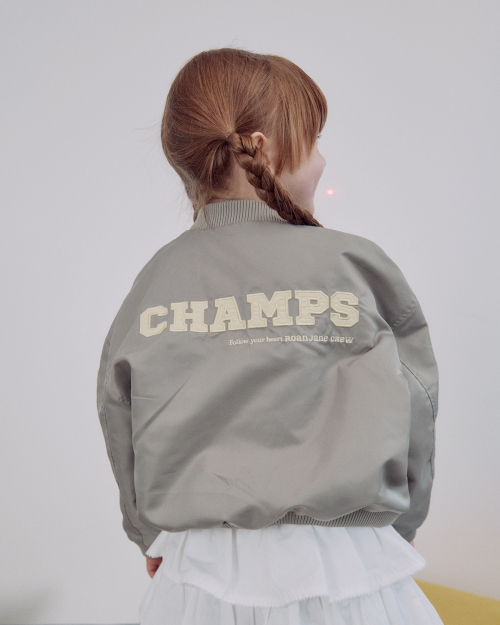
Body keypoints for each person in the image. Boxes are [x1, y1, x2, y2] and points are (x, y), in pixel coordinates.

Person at [96, 47, 443, 625]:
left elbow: (119, 415)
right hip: (348, 572)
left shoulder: (156, 280)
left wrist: (149, 535)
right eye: (315, 140)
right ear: (266, 146)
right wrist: (399, 527)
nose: (323, 160)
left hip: (199, 579)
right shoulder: (356, 264)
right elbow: (417, 405)